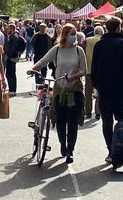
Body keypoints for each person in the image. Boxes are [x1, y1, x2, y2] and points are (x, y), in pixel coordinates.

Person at [30, 23, 88, 163]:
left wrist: (74, 76)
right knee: (60, 120)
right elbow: (44, 61)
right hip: (59, 89)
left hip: (74, 90)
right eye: (72, 34)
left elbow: (84, 70)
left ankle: (70, 150)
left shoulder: (79, 51)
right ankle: (63, 144)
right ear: (65, 35)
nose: (74, 36)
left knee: (72, 122)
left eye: (75, 33)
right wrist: (33, 68)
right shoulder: (57, 50)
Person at [89, 16, 123, 160]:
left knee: (106, 122)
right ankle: (120, 148)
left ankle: (110, 149)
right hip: (120, 90)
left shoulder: (99, 45)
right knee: (121, 120)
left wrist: (97, 85)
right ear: (119, 27)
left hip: (104, 89)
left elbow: (94, 67)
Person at [83, 25, 104, 121]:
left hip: (88, 69)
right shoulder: (104, 40)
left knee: (88, 91)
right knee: (99, 91)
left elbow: (82, 52)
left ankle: (88, 111)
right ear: (102, 32)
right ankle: (98, 112)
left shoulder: (87, 40)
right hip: (100, 70)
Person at [3, 23, 25, 95]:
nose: (7, 29)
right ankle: (12, 89)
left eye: (8, 28)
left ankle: (12, 90)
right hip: (12, 57)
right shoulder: (14, 36)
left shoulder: (14, 37)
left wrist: (9, 55)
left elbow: (13, 48)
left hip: (11, 58)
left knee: (10, 74)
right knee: (12, 73)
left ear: (12, 29)